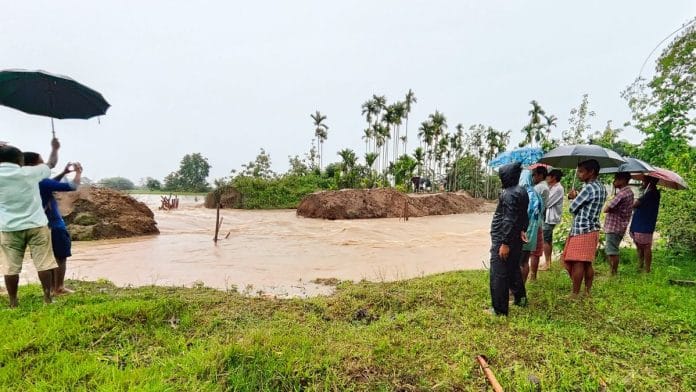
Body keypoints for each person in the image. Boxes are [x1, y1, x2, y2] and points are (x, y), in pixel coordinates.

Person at [0, 141, 60, 307]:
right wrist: (55, 148)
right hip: (37, 225)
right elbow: (51, 164)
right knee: (44, 263)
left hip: (9, 228)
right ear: (19, 160)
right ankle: (47, 298)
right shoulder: (29, 173)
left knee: (10, 267)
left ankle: (13, 302)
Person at [23, 150, 83, 295]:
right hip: (53, 225)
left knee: (44, 259)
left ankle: (48, 289)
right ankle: (59, 287)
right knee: (60, 256)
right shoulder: (41, 181)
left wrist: (63, 173)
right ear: (33, 165)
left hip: (34, 225)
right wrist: (78, 173)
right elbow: (72, 187)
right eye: (41, 161)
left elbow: (48, 185)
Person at [488, 162, 529, 316]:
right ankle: (521, 298)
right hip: (516, 236)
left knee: (498, 272)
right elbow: (524, 215)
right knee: (513, 269)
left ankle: (499, 310)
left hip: (504, 239)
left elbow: (508, 219)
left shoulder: (508, 194)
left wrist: (504, 243)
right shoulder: (522, 191)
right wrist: (523, 229)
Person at [564, 159, 607, 298]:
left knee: (577, 262)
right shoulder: (601, 187)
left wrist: (572, 197)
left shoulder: (588, 188)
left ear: (591, 172)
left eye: (581, 171)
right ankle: (587, 291)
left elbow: (572, 208)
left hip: (582, 229)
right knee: (587, 263)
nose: (578, 174)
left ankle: (575, 293)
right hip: (593, 228)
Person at [602, 172, 634, 275]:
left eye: (617, 179)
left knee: (612, 252)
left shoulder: (622, 194)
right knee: (612, 249)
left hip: (614, 226)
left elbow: (606, 209)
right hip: (620, 225)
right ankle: (612, 272)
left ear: (623, 180)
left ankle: (613, 273)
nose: (614, 181)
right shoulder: (629, 192)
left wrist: (610, 199)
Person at [630, 176, 661, 273]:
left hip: (644, 224)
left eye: (644, 181)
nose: (642, 183)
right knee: (639, 245)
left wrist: (639, 199)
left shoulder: (651, 193)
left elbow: (635, 204)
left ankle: (647, 269)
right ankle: (640, 265)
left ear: (650, 182)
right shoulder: (648, 193)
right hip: (639, 222)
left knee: (646, 246)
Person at [518, 169, 544, 284]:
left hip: (523, 231)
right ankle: (522, 289)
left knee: (518, 262)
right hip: (532, 233)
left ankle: (515, 291)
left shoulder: (524, 194)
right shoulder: (536, 195)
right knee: (524, 261)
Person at [528, 166, 549, 280]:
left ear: (540, 175)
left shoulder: (539, 188)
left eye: (534, 174)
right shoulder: (543, 187)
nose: (533, 177)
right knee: (534, 251)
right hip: (537, 222)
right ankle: (533, 275)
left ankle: (532, 275)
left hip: (533, 223)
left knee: (533, 251)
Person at [541, 169, 564, 270]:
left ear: (554, 177)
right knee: (547, 239)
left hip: (550, 218)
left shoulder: (558, 188)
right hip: (548, 217)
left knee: (546, 240)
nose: (546, 178)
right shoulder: (553, 187)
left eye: (548, 176)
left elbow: (547, 202)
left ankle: (547, 263)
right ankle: (548, 261)